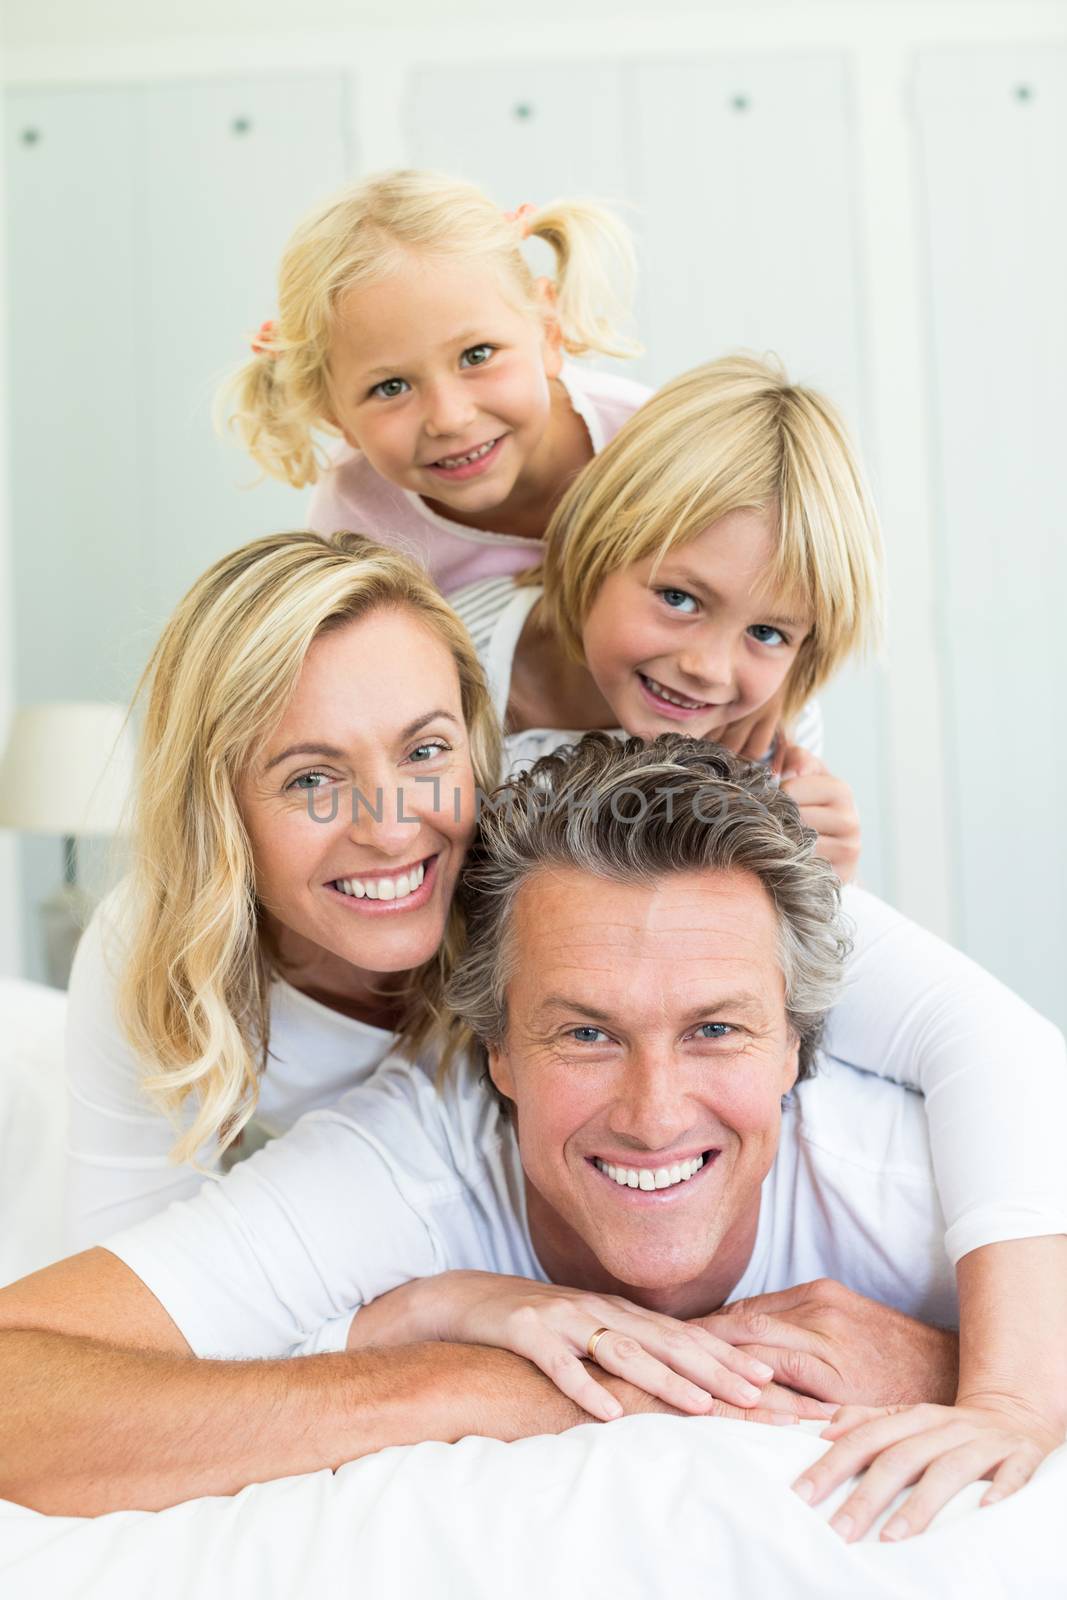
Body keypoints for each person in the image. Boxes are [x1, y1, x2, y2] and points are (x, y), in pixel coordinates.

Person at [4, 737, 1063, 1529]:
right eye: (586, 1033)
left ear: (794, 1045)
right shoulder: (403, 1164)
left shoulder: (911, 1178)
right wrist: (470, 1371)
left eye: (715, 1031)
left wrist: (953, 1362)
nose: (653, 1113)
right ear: (496, 1051)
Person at [64, 529, 501, 1246]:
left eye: (425, 751)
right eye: (311, 778)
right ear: (218, 807)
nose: (390, 832)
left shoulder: (537, 895)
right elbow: (111, 1297)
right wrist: (424, 1307)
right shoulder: (148, 949)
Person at [452, 352, 885, 876]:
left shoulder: (769, 742)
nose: (709, 669)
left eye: (767, 633)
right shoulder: (452, 655)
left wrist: (816, 881)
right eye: (680, 599)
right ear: (598, 546)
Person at [220, 169, 650, 595]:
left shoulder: (648, 442)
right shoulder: (356, 519)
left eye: (476, 356)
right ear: (335, 415)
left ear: (548, 332)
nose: (449, 418)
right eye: (391, 387)